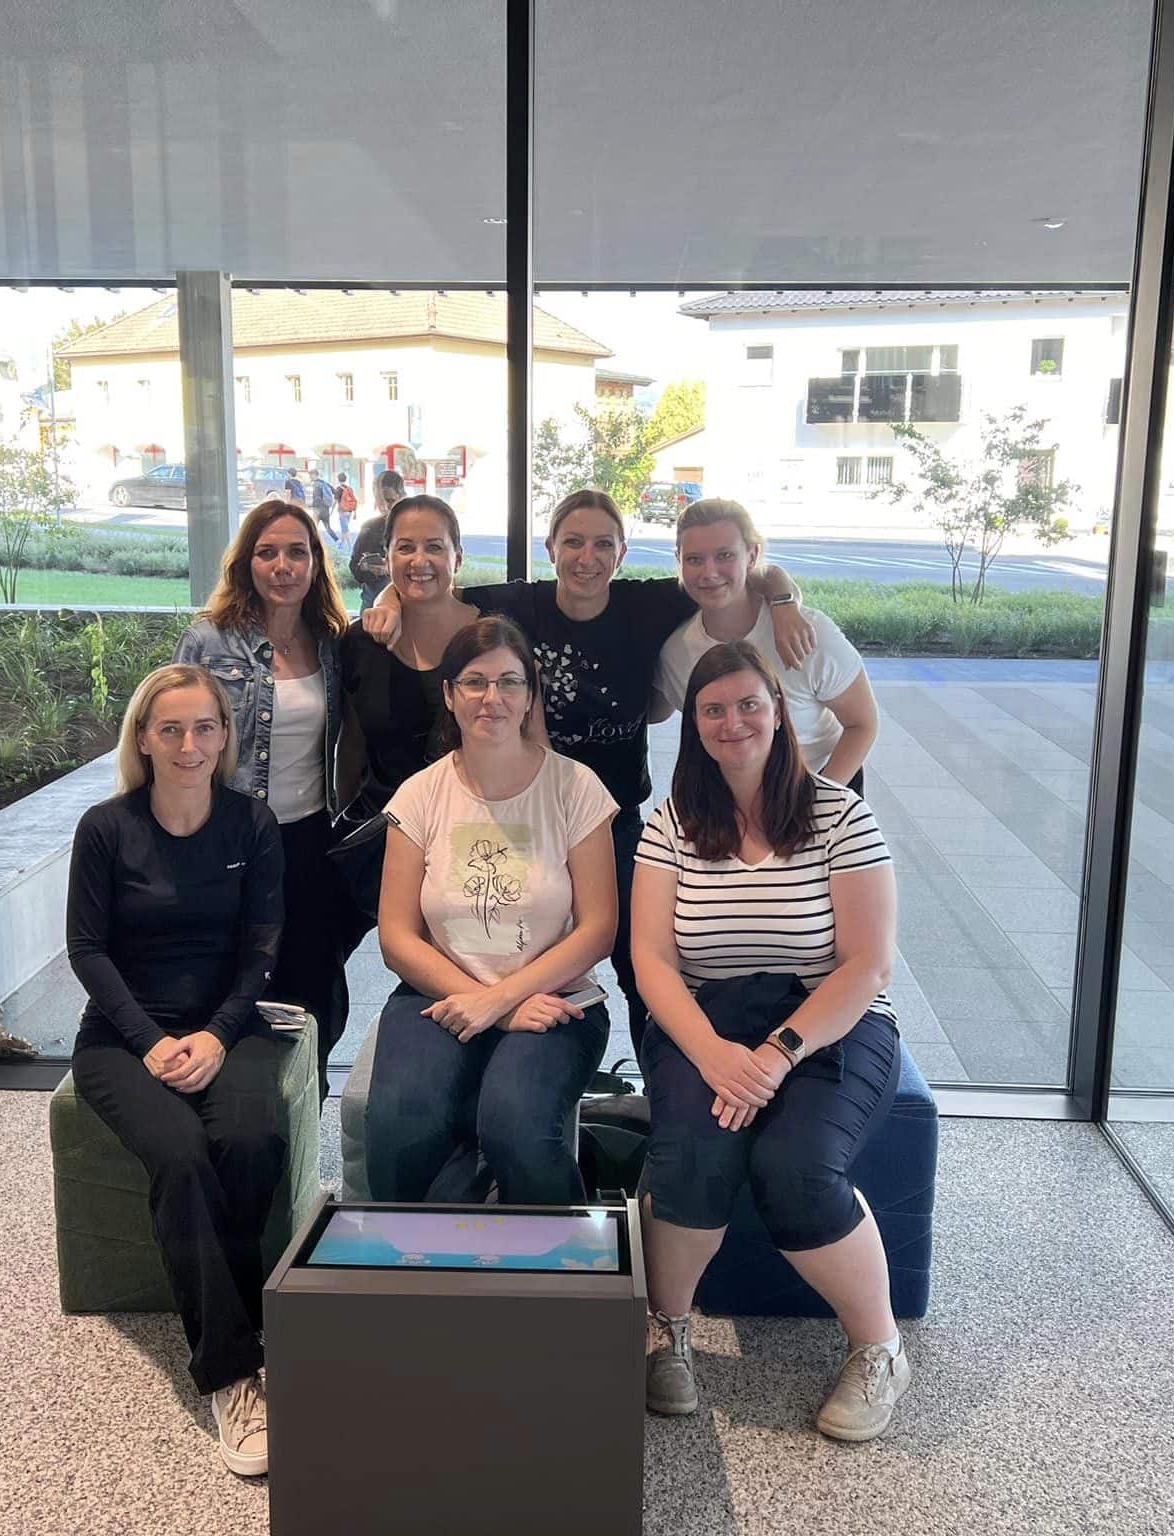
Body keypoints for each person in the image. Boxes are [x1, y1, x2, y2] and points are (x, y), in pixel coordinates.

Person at [361, 486, 814, 1058]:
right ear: (550, 548)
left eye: (603, 544)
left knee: (638, 960)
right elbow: (432, 584)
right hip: (532, 811)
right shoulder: (522, 604)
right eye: (573, 542)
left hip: (615, 817)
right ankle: (495, 1029)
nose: (587, 558)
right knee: (504, 934)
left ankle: (664, 1080)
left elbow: (738, 568)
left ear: (622, 551)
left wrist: (784, 599)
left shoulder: (646, 605)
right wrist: (387, 597)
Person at [632, 640, 908, 1443]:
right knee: (690, 1155)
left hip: (827, 1023)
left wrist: (777, 1053)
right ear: (693, 724)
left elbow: (868, 965)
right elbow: (652, 962)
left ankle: (880, 1348)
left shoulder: (839, 813)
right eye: (713, 709)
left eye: (749, 704)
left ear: (779, 711)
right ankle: (668, 1330)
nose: (734, 722)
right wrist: (714, 1054)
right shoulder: (673, 822)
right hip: (705, 1021)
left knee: (798, 1167)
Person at [65, 663, 287, 1478]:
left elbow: (263, 949)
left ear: (225, 737)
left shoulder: (252, 824)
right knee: (182, 1153)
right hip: (121, 1037)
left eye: (204, 728)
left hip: (228, 1025)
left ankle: (248, 1317)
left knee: (251, 1138)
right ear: (144, 739)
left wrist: (220, 1036)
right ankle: (231, 1372)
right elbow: (86, 950)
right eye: (171, 729)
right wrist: (150, 1041)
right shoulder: (105, 828)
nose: (189, 744)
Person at [365, 616, 620, 1204]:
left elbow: (599, 928)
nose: (492, 698)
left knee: (515, 1123)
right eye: (475, 682)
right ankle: (424, 1253)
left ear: (530, 696)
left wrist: (501, 999)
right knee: (401, 1121)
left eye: (509, 682)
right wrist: (493, 1008)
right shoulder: (420, 794)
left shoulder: (575, 788)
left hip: (556, 1000)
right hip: (438, 992)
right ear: (449, 694)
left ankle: (561, 1254)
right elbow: (397, 936)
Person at [175, 498, 354, 1093]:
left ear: (315, 563)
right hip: (227, 838)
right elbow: (173, 732)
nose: (283, 566)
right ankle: (231, 1106)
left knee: (313, 988)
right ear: (246, 563)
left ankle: (302, 1107)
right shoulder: (209, 640)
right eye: (267, 552)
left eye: (297, 552)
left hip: (310, 839)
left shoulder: (331, 641)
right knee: (235, 982)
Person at [650, 498, 881, 793]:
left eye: (724, 555)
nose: (709, 572)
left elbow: (862, 724)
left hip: (819, 781)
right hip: (733, 796)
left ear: (752, 555)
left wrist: (819, 799)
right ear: (679, 561)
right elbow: (669, 718)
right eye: (695, 559)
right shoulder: (676, 653)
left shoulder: (808, 633)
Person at [333, 495, 478, 925]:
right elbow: (351, 744)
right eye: (405, 548)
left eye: (434, 547)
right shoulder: (361, 644)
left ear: (458, 557)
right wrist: (342, 823)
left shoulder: (490, 639)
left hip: (467, 842)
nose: (420, 561)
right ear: (387, 557)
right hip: (381, 834)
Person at [348, 467, 404, 607]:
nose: (384, 506)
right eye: (380, 501)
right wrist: (365, 569)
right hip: (373, 602)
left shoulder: (415, 527)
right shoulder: (370, 528)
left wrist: (388, 569)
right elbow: (354, 567)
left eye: (390, 500)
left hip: (404, 603)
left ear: (401, 496)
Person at [336, 471, 358, 547]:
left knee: (345, 528)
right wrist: (355, 512)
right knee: (344, 527)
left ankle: (349, 545)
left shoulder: (338, 489)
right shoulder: (349, 488)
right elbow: (353, 499)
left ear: (338, 479)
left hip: (342, 511)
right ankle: (342, 544)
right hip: (349, 511)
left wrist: (331, 511)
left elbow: (336, 501)